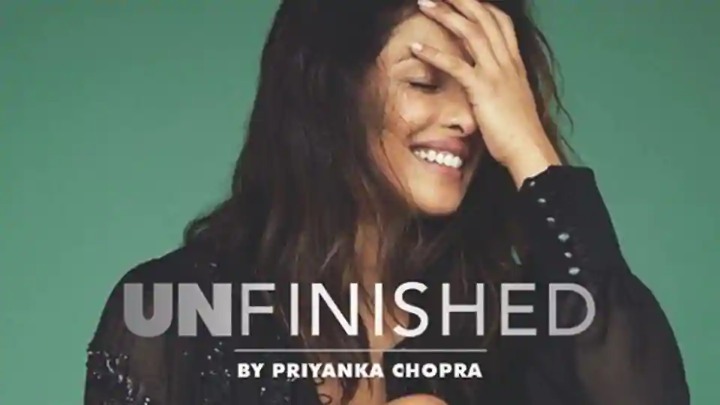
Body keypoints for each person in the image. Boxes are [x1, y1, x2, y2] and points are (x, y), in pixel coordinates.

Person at [83, 0, 690, 404]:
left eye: (486, 94)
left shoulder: (513, 322)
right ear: (330, 92)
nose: (467, 120)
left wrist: (532, 149)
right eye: (425, 82)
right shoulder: (176, 314)